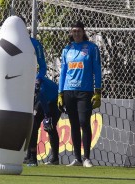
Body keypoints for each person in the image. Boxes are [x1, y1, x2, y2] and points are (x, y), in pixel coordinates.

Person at [57, 20, 102, 167]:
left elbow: (97, 70)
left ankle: (87, 158)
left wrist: (98, 90)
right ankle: (77, 158)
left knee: (84, 122)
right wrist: (60, 93)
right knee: (74, 124)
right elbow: (63, 72)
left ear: (83, 32)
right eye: (74, 31)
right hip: (69, 91)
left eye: (79, 30)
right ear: (71, 32)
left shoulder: (92, 48)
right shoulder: (67, 50)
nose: (76, 33)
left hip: (85, 91)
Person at [20, 15, 61, 166]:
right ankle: (30, 156)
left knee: (46, 125)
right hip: (35, 94)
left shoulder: (34, 44)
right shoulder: (9, 44)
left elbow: (42, 67)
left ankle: (49, 158)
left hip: (52, 97)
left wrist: (48, 115)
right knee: (31, 124)